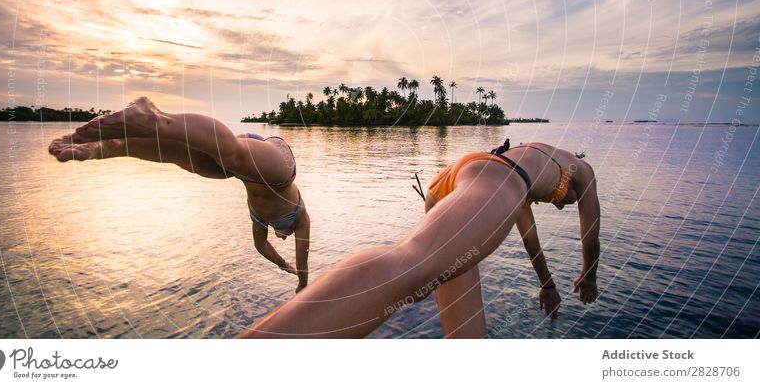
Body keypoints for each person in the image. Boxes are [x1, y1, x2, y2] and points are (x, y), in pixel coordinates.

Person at [239, 141, 600, 338]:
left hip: (464, 174)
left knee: (463, 336)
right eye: (563, 200)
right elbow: (591, 232)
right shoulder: (581, 171)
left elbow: (530, 239)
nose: (562, 205)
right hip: (492, 175)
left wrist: (547, 285)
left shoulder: (529, 170)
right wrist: (589, 275)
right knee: (410, 264)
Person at [48, 97, 310, 292]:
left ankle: (107, 147)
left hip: (245, 166)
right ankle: (153, 118)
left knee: (193, 162)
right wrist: (302, 281)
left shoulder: (260, 221)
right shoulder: (300, 217)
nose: (283, 236)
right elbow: (303, 253)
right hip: (279, 169)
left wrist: (281, 264)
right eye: (284, 235)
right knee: (233, 157)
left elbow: (260, 246)